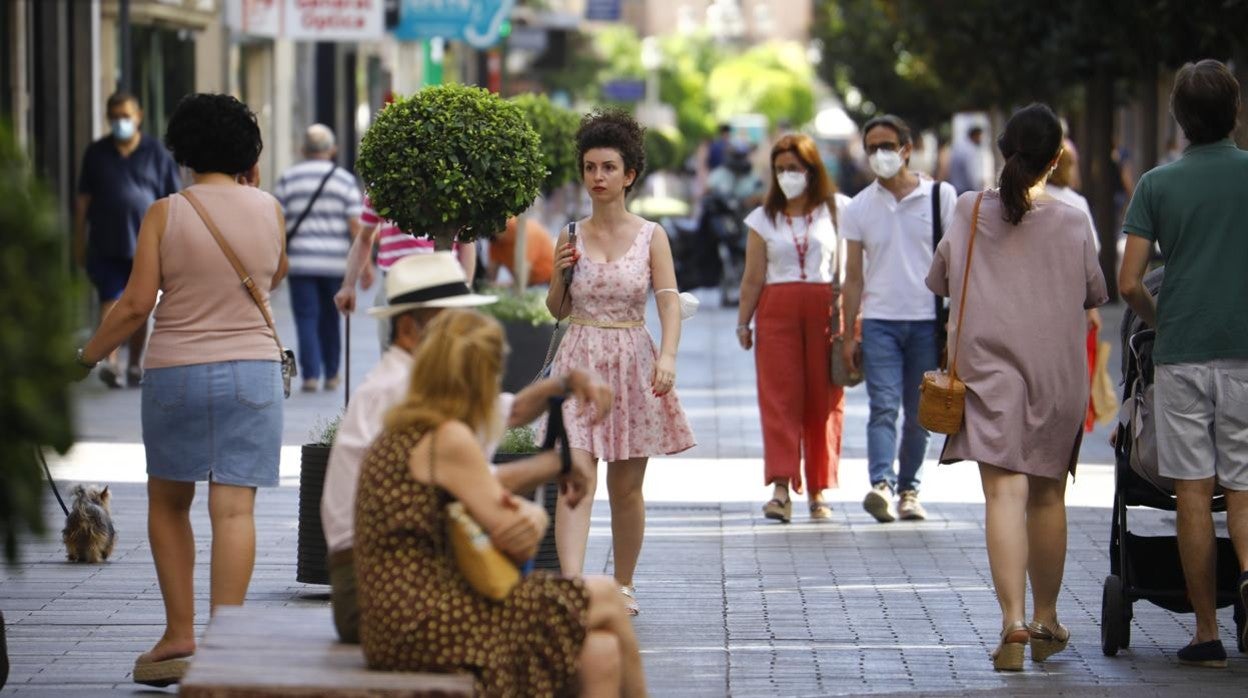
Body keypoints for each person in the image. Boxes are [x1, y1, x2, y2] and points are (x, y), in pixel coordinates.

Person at [74, 93, 285, 687]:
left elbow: (138, 303)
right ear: (250, 152)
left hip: (176, 373)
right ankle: (228, 646)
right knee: (234, 508)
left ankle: (179, 636)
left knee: (170, 504)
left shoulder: (165, 213)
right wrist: (254, 188)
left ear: (183, 149)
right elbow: (274, 274)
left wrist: (87, 356)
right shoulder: (269, 209)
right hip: (253, 371)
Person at [321, 252, 613, 644]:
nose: (462, 333)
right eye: (451, 324)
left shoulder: (420, 378)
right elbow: (464, 480)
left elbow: (504, 412)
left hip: (407, 573)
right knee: (595, 619)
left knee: (596, 636)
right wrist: (557, 464)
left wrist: (563, 384)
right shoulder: (396, 390)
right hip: (373, 588)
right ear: (410, 329)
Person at [354, 309, 646, 697]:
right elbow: (516, 539)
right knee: (607, 597)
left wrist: (552, 458)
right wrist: (535, 504)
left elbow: (481, 481)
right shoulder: (449, 438)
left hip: (397, 622)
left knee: (601, 650)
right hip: (429, 622)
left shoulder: (408, 428)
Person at [927, 103, 1107, 671]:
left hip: (986, 373)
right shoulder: (1075, 220)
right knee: (1049, 495)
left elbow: (939, 279)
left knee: (1003, 495)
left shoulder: (967, 209)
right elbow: (1093, 292)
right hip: (1057, 376)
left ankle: (1012, 622)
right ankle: (1048, 618)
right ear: (1057, 158)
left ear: (1004, 150)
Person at [1119, 59, 1248, 669]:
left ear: (1179, 119)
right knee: (1245, 491)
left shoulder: (1156, 184)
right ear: (1235, 113)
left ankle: (1206, 633)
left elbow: (1129, 281)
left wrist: (1157, 320)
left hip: (1181, 355)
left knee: (1194, 495)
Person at [546, 108, 696, 615]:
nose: (598, 177)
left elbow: (668, 299)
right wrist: (557, 274)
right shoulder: (569, 234)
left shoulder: (652, 235)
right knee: (576, 478)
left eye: (608, 167)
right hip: (580, 360)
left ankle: (623, 584)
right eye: (590, 167)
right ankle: (571, 586)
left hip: (633, 360)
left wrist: (668, 356)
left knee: (626, 488)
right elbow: (556, 310)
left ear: (629, 174)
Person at [840, 115, 958, 523]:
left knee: (918, 412)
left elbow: (957, 266)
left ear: (907, 149)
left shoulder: (941, 197)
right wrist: (847, 332)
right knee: (883, 407)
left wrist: (955, 326)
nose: (879, 155)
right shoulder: (858, 207)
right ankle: (882, 485)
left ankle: (910, 489)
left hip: (927, 320)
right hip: (879, 321)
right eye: (872, 147)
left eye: (887, 146)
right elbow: (852, 276)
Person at [735, 133, 850, 523]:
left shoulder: (836, 210)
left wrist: (853, 323)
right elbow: (752, 277)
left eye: (795, 168)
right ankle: (781, 488)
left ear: (812, 170)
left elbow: (850, 274)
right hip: (776, 311)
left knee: (824, 400)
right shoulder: (761, 219)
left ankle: (819, 489)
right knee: (779, 399)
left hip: (825, 310)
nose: (788, 176)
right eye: (780, 169)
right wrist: (743, 321)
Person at [73, 91, 182, 388]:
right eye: (115, 116)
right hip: (106, 241)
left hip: (145, 244)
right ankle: (111, 362)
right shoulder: (97, 153)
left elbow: (172, 198)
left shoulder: (156, 153)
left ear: (139, 116)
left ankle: (134, 363)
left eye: (126, 115)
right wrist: (78, 240)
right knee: (111, 299)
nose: (121, 121)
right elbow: (83, 200)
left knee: (140, 304)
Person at [274, 124, 364, 392]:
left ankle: (310, 375)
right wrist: (365, 265)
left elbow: (277, 222)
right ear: (333, 149)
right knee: (331, 318)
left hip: (300, 263)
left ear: (303, 150)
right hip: (335, 263)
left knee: (305, 317)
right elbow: (355, 226)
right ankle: (333, 373)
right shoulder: (344, 180)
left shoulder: (288, 178)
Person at [333, 194, 477, 349]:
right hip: (395, 285)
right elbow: (364, 238)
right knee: (396, 355)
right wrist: (348, 285)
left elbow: (466, 240)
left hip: (443, 284)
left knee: (440, 356)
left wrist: (465, 288)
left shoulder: (453, 183)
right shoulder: (381, 185)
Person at [1045, 139, 1105, 432]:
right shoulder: (1075, 202)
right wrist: (1092, 306)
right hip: (1070, 305)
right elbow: (1089, 255)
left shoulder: (1029, 197)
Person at [487, 216, 555, 287]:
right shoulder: (496, 241)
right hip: (527, 283)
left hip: (546, 282)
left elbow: (523, 274)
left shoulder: (526, 233)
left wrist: (503, 285)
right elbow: (491, 274)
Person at [949, 125, 986, 194]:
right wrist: (978, 191)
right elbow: (971, 174)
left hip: (956, 188)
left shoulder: (959, 146)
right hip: (966, 190)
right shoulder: (970, 150)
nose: (981, 139)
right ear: (975, 135)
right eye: (980, 136)